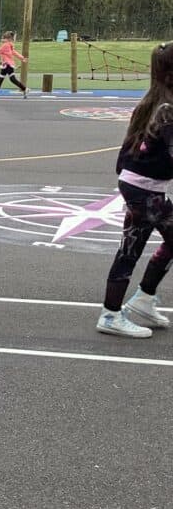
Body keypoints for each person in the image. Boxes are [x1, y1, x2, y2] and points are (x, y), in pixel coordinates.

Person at [96, 42, 173, 338]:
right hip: (144, 189)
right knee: (133, 247)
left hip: (138, 184)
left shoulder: (152, 101)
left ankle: (126, 307)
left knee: (131, 248)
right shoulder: (167, 109)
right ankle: (128, 305)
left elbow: (129, 149)